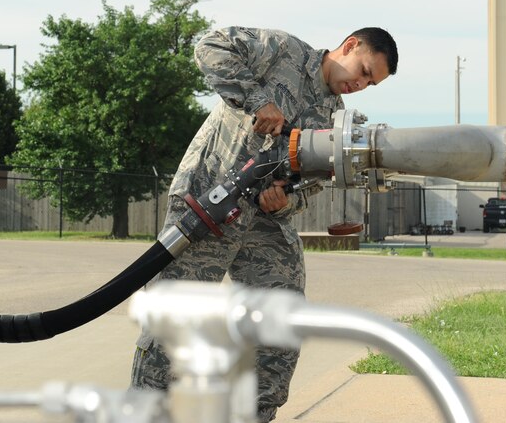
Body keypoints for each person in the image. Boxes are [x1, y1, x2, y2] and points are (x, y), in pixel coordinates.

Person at [130, 25, 398, 422]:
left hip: (262, 222)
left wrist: (285, 202)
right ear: (350, 45)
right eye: (362, 70)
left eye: (370, 83)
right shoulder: (282, 51)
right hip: (206, 203)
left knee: (282, 316)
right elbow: (208, 46)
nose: (359, 84)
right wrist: (259, 100)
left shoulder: (333, 120)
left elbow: (312, 187)